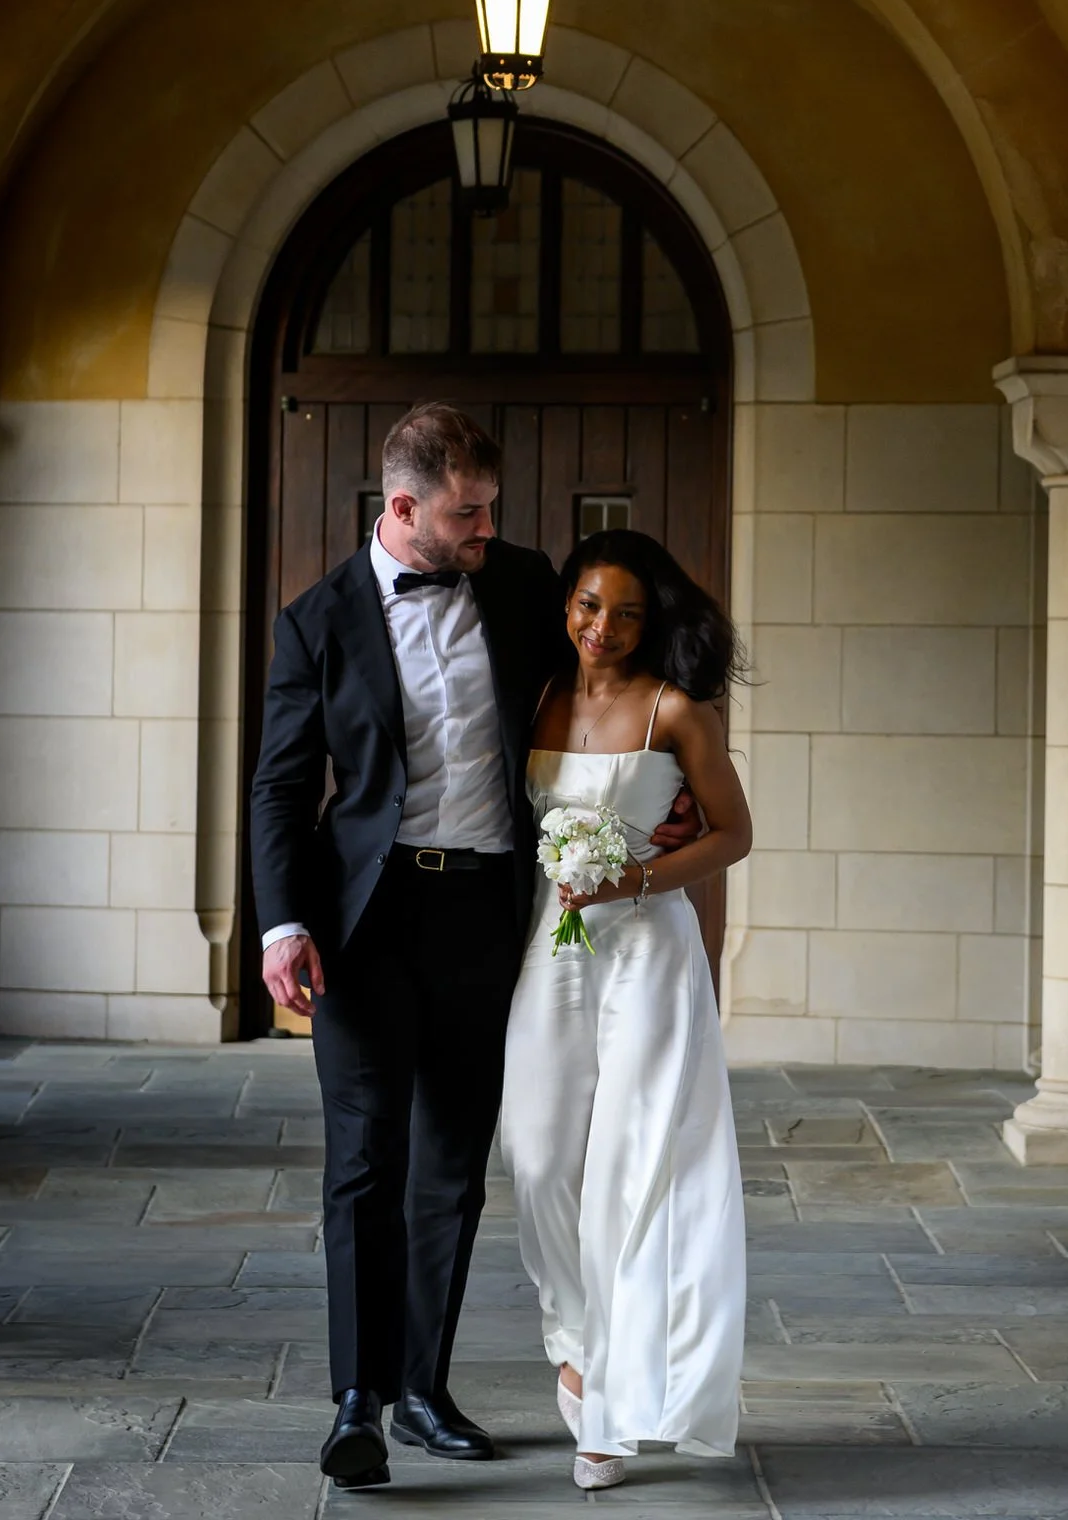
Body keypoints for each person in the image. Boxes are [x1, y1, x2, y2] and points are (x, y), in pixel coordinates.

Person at [248, 406, 695, 1489]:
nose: (488, 526)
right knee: (365, 1160)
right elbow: (281, 783)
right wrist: (281, 921)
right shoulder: (317, 620)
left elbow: (610, 680)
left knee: (451, 1165)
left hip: (489, 920)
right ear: (403, 509)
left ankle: (421, 1390)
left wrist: (662, 794)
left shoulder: (519, 582)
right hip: (364, 919)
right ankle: (357, 1396)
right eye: (467, 511)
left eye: (491, 507)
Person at [501, 528, 753, 1492]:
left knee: (632, 1166)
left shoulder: (676, 712)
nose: (602, 627)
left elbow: (733, 834)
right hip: (548, 950)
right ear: (566, 604)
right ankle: (573, 1341)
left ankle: (610, 1401)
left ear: (654, 624)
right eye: (588, 605)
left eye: (627, 613)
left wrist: (635, 879)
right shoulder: (535, 695)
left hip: (648, 955)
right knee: (537, 1152)